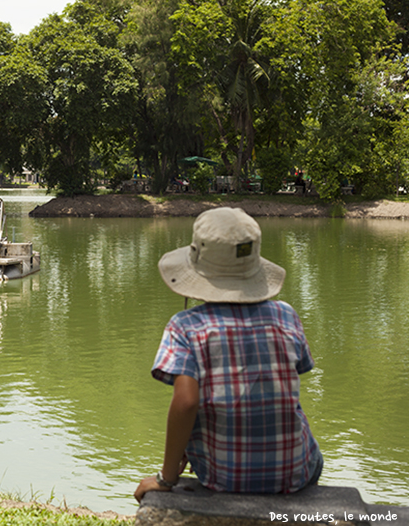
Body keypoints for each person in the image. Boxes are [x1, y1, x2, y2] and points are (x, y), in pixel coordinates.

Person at [134, 207, 322, 503]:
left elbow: (186, 403)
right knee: (311, 448)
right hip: (294, 472)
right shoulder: (286, 315)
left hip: (221, 476)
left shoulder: (185, 326)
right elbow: (286, 381)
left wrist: (166, 480)